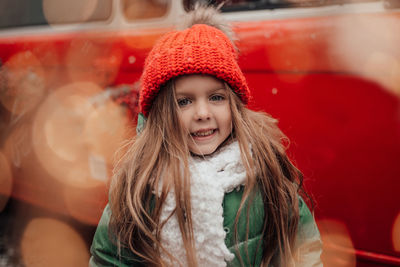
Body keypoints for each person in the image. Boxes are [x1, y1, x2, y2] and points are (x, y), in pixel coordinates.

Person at [89, 5, 322, 267]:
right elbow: (109, 259)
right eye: (185, 101)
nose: (202, 113)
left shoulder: (262, 170)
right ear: (162, 114)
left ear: (233, 105)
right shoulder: (141, 182)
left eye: (216, 97)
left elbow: (301, 248)